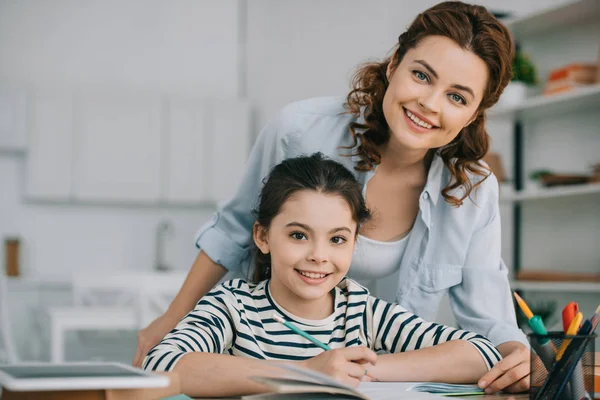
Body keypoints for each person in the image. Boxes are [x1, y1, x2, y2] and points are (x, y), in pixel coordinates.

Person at [134, 1, 530, 394]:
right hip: (251, 350)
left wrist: (516, 357)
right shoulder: (300, 130)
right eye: (422, 76)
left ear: (475, 113)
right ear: (394, 64)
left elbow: (489, 327)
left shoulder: (468, 195)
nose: (430, 103)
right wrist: (172, 319)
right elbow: (233, 229)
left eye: (457, 97)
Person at [142, 153, 502, 398]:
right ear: (263, 237)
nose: (318, 255)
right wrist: (307, 373)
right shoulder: (234, 306)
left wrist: (361, 369)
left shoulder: (362, 311)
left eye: (337, 239)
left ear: (354, 243)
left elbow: (483, 354)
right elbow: (162, 363)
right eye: (298, 235)